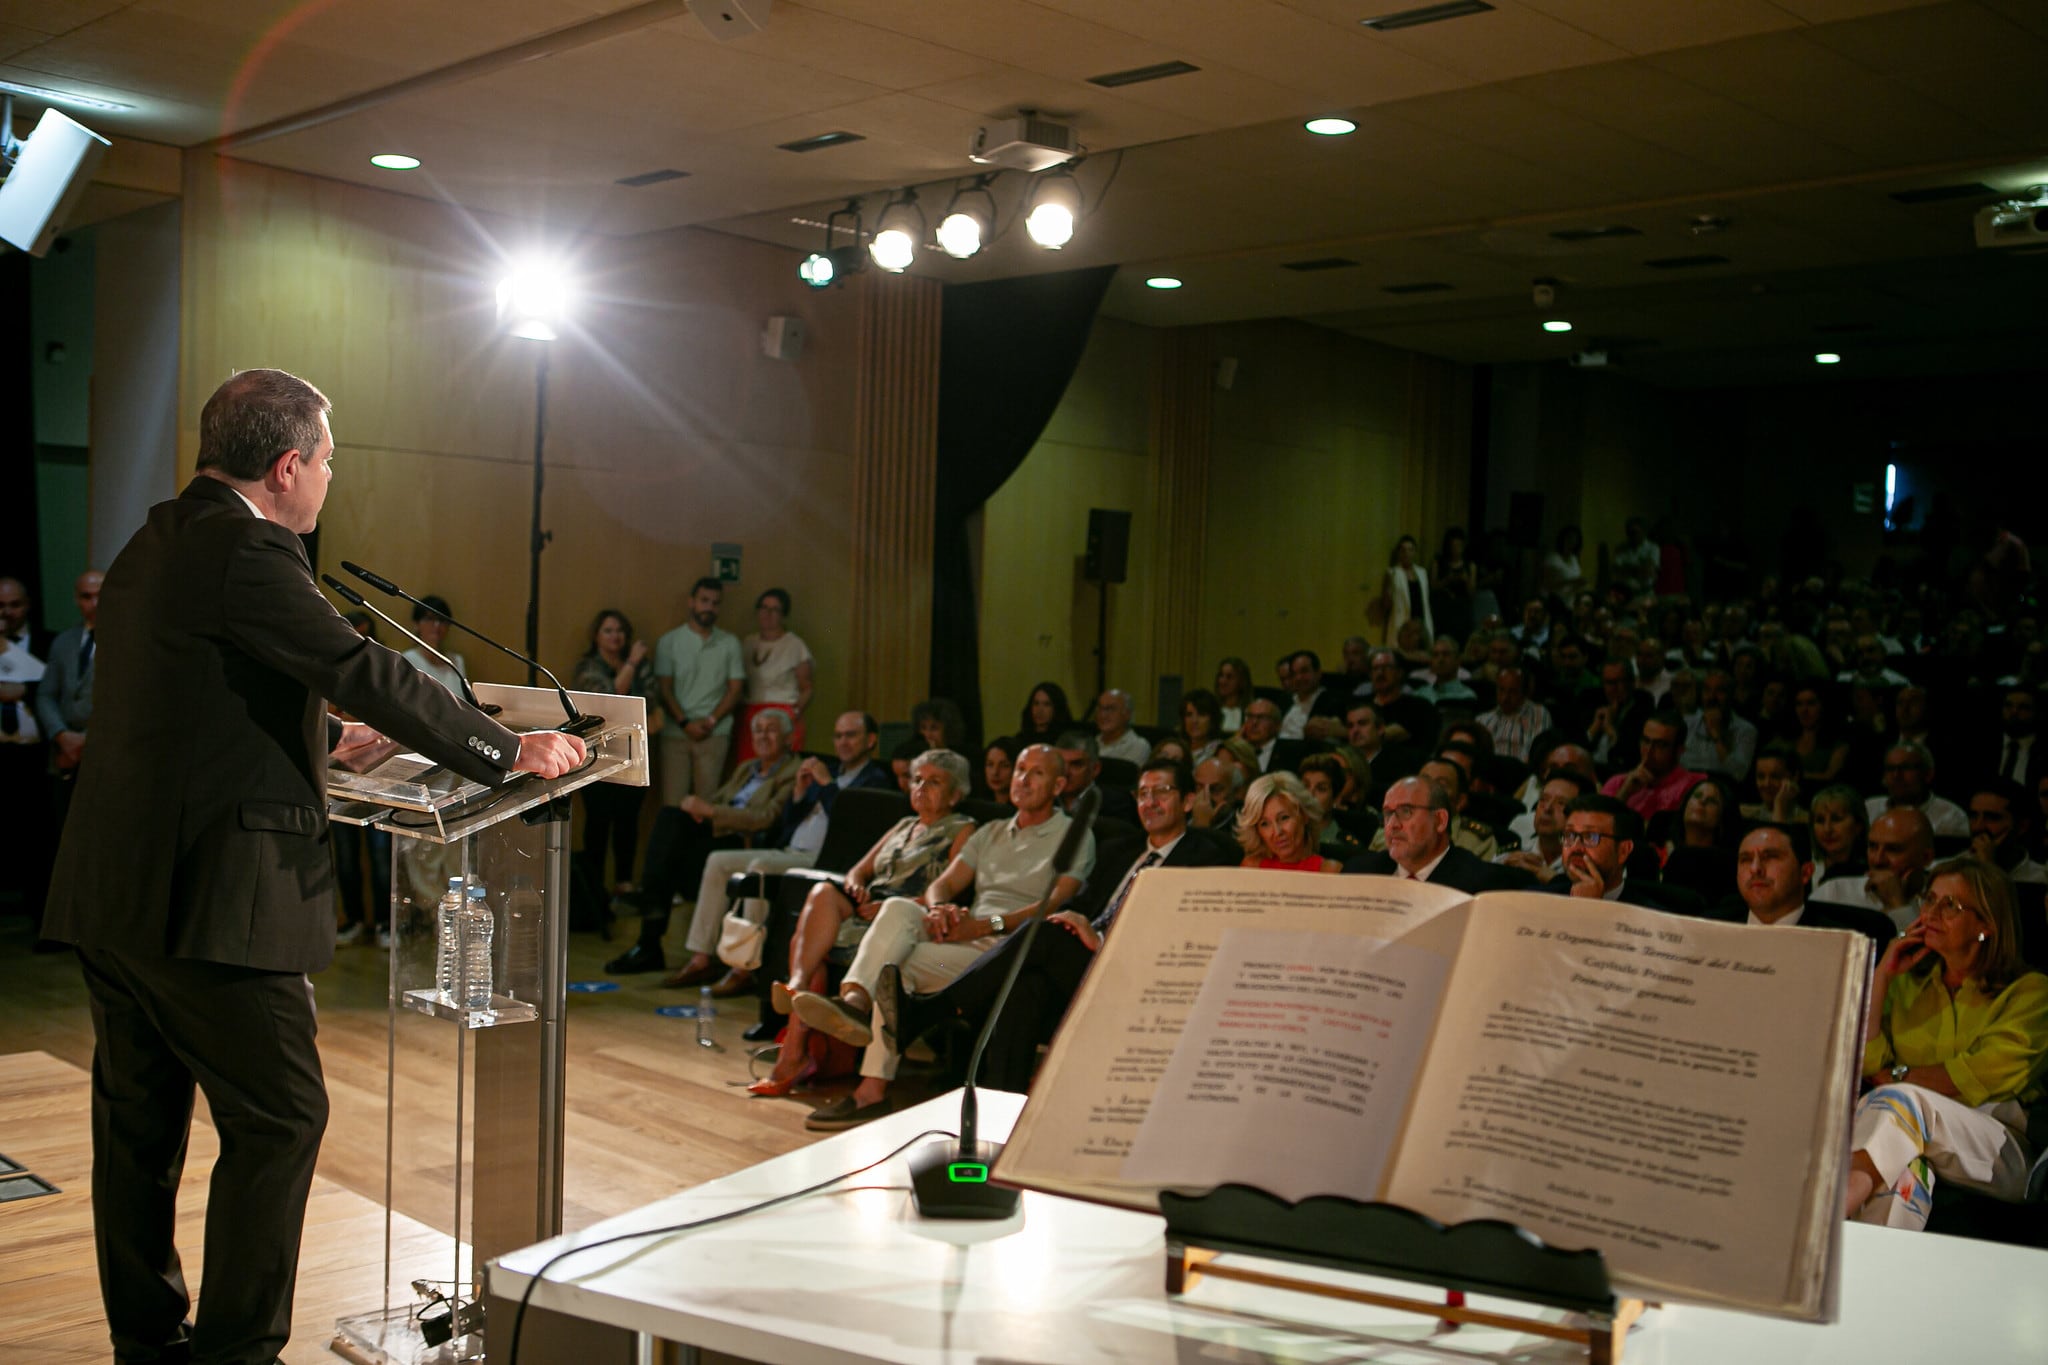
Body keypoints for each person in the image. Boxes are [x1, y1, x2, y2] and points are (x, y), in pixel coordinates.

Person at [40, 369, 585, 1365]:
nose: (330, 479)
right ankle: (238, 1354)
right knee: (283, 1117)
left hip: (116, 891)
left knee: (139, 1131)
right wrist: (510, 751)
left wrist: (312, 740)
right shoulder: (251, 548)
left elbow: (191, 702)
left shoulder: (158, 538)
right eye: (329, 461)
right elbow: (361, 666)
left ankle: (150, 1344)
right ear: (288, 465)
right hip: (209, 900)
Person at [874, 756, 1236, 1093]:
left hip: (1133, 970)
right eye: (1142, 793)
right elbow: (1080, 904)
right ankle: (1003, 1116)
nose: (1150, 802)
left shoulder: (1206, 857)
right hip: (1077, 962)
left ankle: (934, 1010)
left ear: (1188, 802)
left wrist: (1097, 937)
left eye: (1162, 792)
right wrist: (1072, 920)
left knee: (1040, 931)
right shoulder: (1121, 850)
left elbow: (1185, 932)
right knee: (1025, 987)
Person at [791, 744, 1094, 1128]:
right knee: (898, 915)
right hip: (965, 942)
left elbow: (1053, 905)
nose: (1022, 779)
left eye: (1036, 773)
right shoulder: (991, 832)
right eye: (1020, 770)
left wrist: (984, 926)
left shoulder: (1074, 834)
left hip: (1010, 948)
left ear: (1059, 785)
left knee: (896, 961)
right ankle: (856, 1006)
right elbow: (944, 885)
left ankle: (869, 1082)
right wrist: (939, 908)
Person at [750, 747, 977, 1097]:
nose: (921, 787)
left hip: (903, 922)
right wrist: (855, 884)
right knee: (824, 892)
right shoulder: (903, 825)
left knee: (812, 951)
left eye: (934, 782)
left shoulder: (963, 830)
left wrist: (893, 904)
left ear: (956, 793)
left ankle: (792, 1056)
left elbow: (947, 893)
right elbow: (860, 868)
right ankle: (795, 985)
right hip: (866, 912)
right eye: (917, 780)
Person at [1846, 857, 2048, 1231]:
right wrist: (1882, 976)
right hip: (1908, 1131)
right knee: (1903, 1172)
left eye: (1949, 905)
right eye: (1929, 900)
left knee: (1899, 1101)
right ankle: (1872, 1279)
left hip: (2000, 1147)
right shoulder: (1909, 985)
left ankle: (1827, 1219)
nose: (1931, 913)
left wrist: (1897, 1077)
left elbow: (1971, 1079)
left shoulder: (2032, 993)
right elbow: (1866, 1062)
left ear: (1986, 924)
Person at [693, 710, 894, 998]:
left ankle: (744, 968)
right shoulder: (833, 770)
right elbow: (788, 823)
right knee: (718, 861)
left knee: (758, 867)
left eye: (851, 735)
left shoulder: (875, 780)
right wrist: (799, 794)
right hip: (790, 850)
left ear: (871, 740)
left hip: (823, 861)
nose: (843, 742)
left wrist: (826, 786)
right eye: (838, 736)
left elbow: (848, 824)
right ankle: (701, 956)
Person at [603, 708, 801, 977]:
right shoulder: (747, 768)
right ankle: (648, 935)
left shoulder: (793, 771)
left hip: (745, 842)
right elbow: (718, 800)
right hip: (716, 834)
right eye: (758, 729)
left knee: (670, 852)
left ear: (788, 738)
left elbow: (767, 819)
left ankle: (649, 933)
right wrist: (701, 809)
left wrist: (711, 812)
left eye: (771, 729)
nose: (763, 736)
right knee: (671, 818)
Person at [572, 608, 659, 896]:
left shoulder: (643, 667)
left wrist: (635, 665)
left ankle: (624, 882)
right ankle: (595, 887)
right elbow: (610, 699)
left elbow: (651, 703)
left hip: (634, 753)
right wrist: (632, 662)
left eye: (620, 630)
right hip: (598, 756)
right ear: (596, 636)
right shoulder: (587, 667)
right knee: (598, 823)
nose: (616, 636)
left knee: (628, 823)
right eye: (608, 631)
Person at [1342, 775, 1532, 891]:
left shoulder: (1480, 883)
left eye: (1406, 811)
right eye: (1388, 813)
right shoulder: (1359, 873)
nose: (1392, 825)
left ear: (1440, 820)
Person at [1718, 824, 1895, 948]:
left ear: (1805, 873)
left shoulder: (1842, 945)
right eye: (1745, 860)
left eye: (1770, 857)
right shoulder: (1711, 932)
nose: (1755, 869)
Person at [654, 577, 746, 806]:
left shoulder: (730, 643)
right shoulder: (670, 641)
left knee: (707, 805)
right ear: (691, 602)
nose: (709, 607)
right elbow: (664, 689)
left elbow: (735, 690)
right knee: (673, 804)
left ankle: (703, 845)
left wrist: (711, 721)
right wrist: (685, 723)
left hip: (714, 733)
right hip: (676, 732)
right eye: (704, 600)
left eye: (715, 603)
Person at [1542, 793, 1701, 913]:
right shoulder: (1538, 901)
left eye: (1590, 837)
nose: (1576, 847)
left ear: (1623, 851)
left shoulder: (1651, 918)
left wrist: (1590, 911)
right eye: (1569, 835)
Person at [1813, 806, 1938, 931]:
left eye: (1893, 850)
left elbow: (1919, 949)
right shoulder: (1833, 892)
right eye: (1873, 847)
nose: (1878, 860)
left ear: (1926, 858)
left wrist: (1897, 905)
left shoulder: (1941, 902)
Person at [735, 587, 814, 763]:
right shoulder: (748, 643)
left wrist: (793, 713)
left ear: (783, 615)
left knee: (779, 770)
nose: (768, 614)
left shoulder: (794, 645)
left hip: (782, 715)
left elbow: (807, 688)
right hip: (751, 715)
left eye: (775, 609)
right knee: (749, 769)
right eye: (764, 608)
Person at [1600, 709, 1698, 824]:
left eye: (1660, 745)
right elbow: (1598, 825)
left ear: (1679, 750)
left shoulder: (1694, 785)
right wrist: (1624, 793)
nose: (1649, 751)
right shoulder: (1618, 783)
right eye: (1646, 741)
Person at [1237, 771, 1340, 873]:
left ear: (1304, 815)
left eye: (1284, 818)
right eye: (1265, 824)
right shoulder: (1252, 867)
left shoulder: (1328, 870)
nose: (1277, 832)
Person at [1498, 770, 1590, 884]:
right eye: (1543, 799)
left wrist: (1555, 880)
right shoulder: (1511, 855)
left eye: (1561, 803)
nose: (1547, 808)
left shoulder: (1588, 864)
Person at [1661, 774, 1742, 903]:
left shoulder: (1726, 866)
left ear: (1723, 817)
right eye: (1697, 796)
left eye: (1711, 801)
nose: (1702, 801)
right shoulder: (1659, 850)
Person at [1865, 741, 1969, 839]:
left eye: (1905, 767)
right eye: (1890, 768)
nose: (1896, 775)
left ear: (1928, 774)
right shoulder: (1869, 809)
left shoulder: (1951, 817)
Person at [1968, 778, 2047, 885]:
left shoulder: (2042, 879)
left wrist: (1989, 869)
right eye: (1973, 816)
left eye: (1992, 817)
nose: (1978, 826)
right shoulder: (1948, 871)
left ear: (2022, 826)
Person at [1475, 665, 1551, 763]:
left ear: (1524, 692)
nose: (1505, 697)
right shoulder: (1482, 720)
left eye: (1512, 692)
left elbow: (1538, 753)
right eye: (1501, 690)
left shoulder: (1538, 714)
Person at [400, 594, 466, 693]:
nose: (437, 625)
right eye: (430, 619)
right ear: (417, 624)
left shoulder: (457, 661)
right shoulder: (407, 659)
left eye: (442, 620)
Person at [1810, 782, 1870, 886]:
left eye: (1836, 819)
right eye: (1820, 821)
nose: (1827, 829)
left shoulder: (1871, 870)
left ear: (1858, 826)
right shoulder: (1803, 865)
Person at [1379, 535, 1433, 648]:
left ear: (1414, 552)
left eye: (1410, 550)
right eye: (1403, 550)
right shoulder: (1393, 573)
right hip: (1402, 621)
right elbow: (1386, 603)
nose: (1406, 553)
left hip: (1421, 621)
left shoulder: (1422, 573)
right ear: (1399, 553)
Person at [1093, 687, 1152, 764]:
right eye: (1100, 708)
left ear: (1127, 714)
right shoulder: (1092, 742)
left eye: (1110, 709)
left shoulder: (1138, 746)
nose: (1103, 715)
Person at [1015, 680, 1075, 748]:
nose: (1040, 710)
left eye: (1046, 704)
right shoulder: (1021, 741)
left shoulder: (1066, 741)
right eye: (1036, 703)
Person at [1177, 687, 1225, 765]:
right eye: (1189, 715)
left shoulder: (1220, 751)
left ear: (1213, 719)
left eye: (1201, 714)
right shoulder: (1177, 749)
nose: (1194, 720)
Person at [1540, 525, 1584, 602]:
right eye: (1570, 538)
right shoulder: (1552, 559)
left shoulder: (1574, 559)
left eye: (1575, 539)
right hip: (1553, 600)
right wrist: (1571, 581)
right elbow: (1547, 583)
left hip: (1569, 601)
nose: (1573, 541)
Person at [981, 735, 1021, 808]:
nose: (995, 772)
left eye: (1004, 766)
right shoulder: (979, 806)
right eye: (990, 764)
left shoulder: (1024, 809)